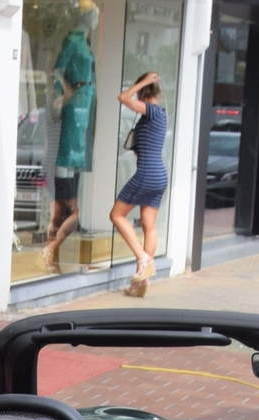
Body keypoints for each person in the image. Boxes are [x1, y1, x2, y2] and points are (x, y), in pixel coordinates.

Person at [40, 0, 97, 271]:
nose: (96, 17)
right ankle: (50, 251)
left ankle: (53, 255)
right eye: (92, 13)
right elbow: (57, 69)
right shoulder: (74, 40)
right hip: (76, 106)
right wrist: (65, 92)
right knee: (66, 205)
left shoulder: (85, 42)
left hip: (85, 105)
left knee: (69, 200)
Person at [110, 71, 165, 298]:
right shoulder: (159, 114)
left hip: (147, 173)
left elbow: (122, 97)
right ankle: (142, 281)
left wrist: (142, 82)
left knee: (116, 215)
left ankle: (143, 259)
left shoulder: (150, 110)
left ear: (143, 92)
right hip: (159, 175)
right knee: (148, 226)